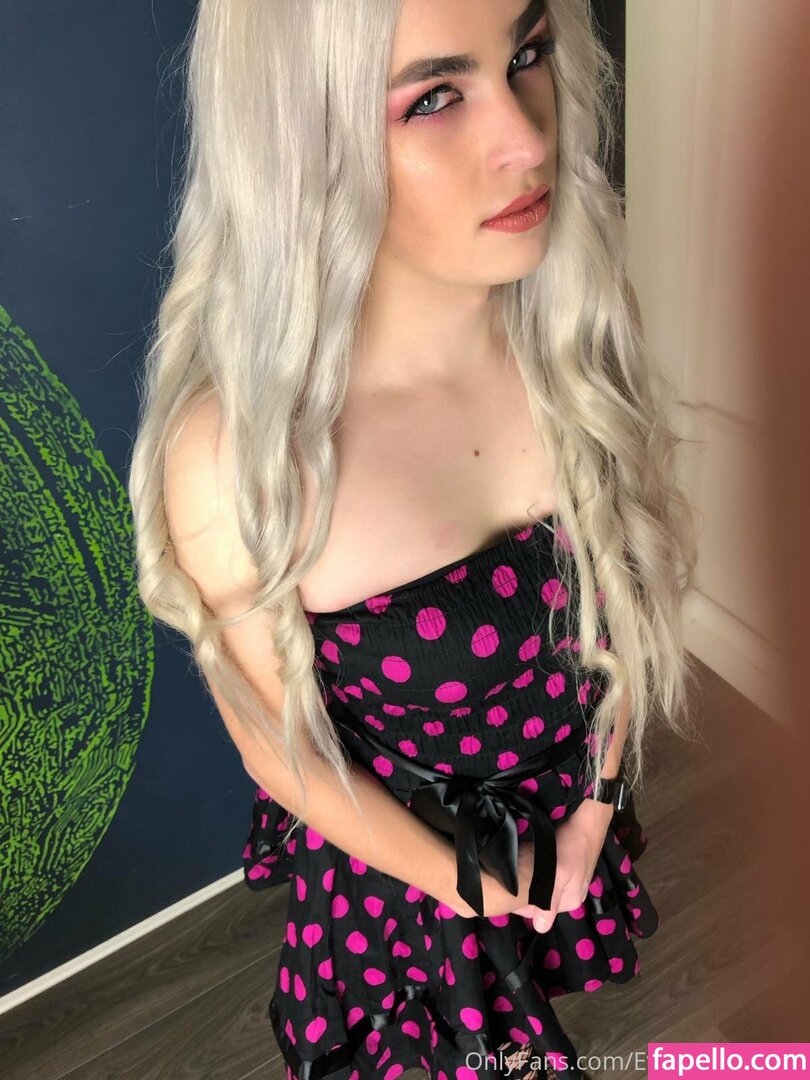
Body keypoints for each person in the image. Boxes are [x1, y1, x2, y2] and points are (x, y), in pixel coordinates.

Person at [128, 0, 701, 1076]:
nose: (527, 139)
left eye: (527, 53)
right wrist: (471, 884)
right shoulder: (246, 458)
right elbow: (278, 745)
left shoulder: (568, 338)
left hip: (565, 821)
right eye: (433, 97)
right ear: (305, 143)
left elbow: (617, 605)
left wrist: (594, 808)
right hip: (411, 884)